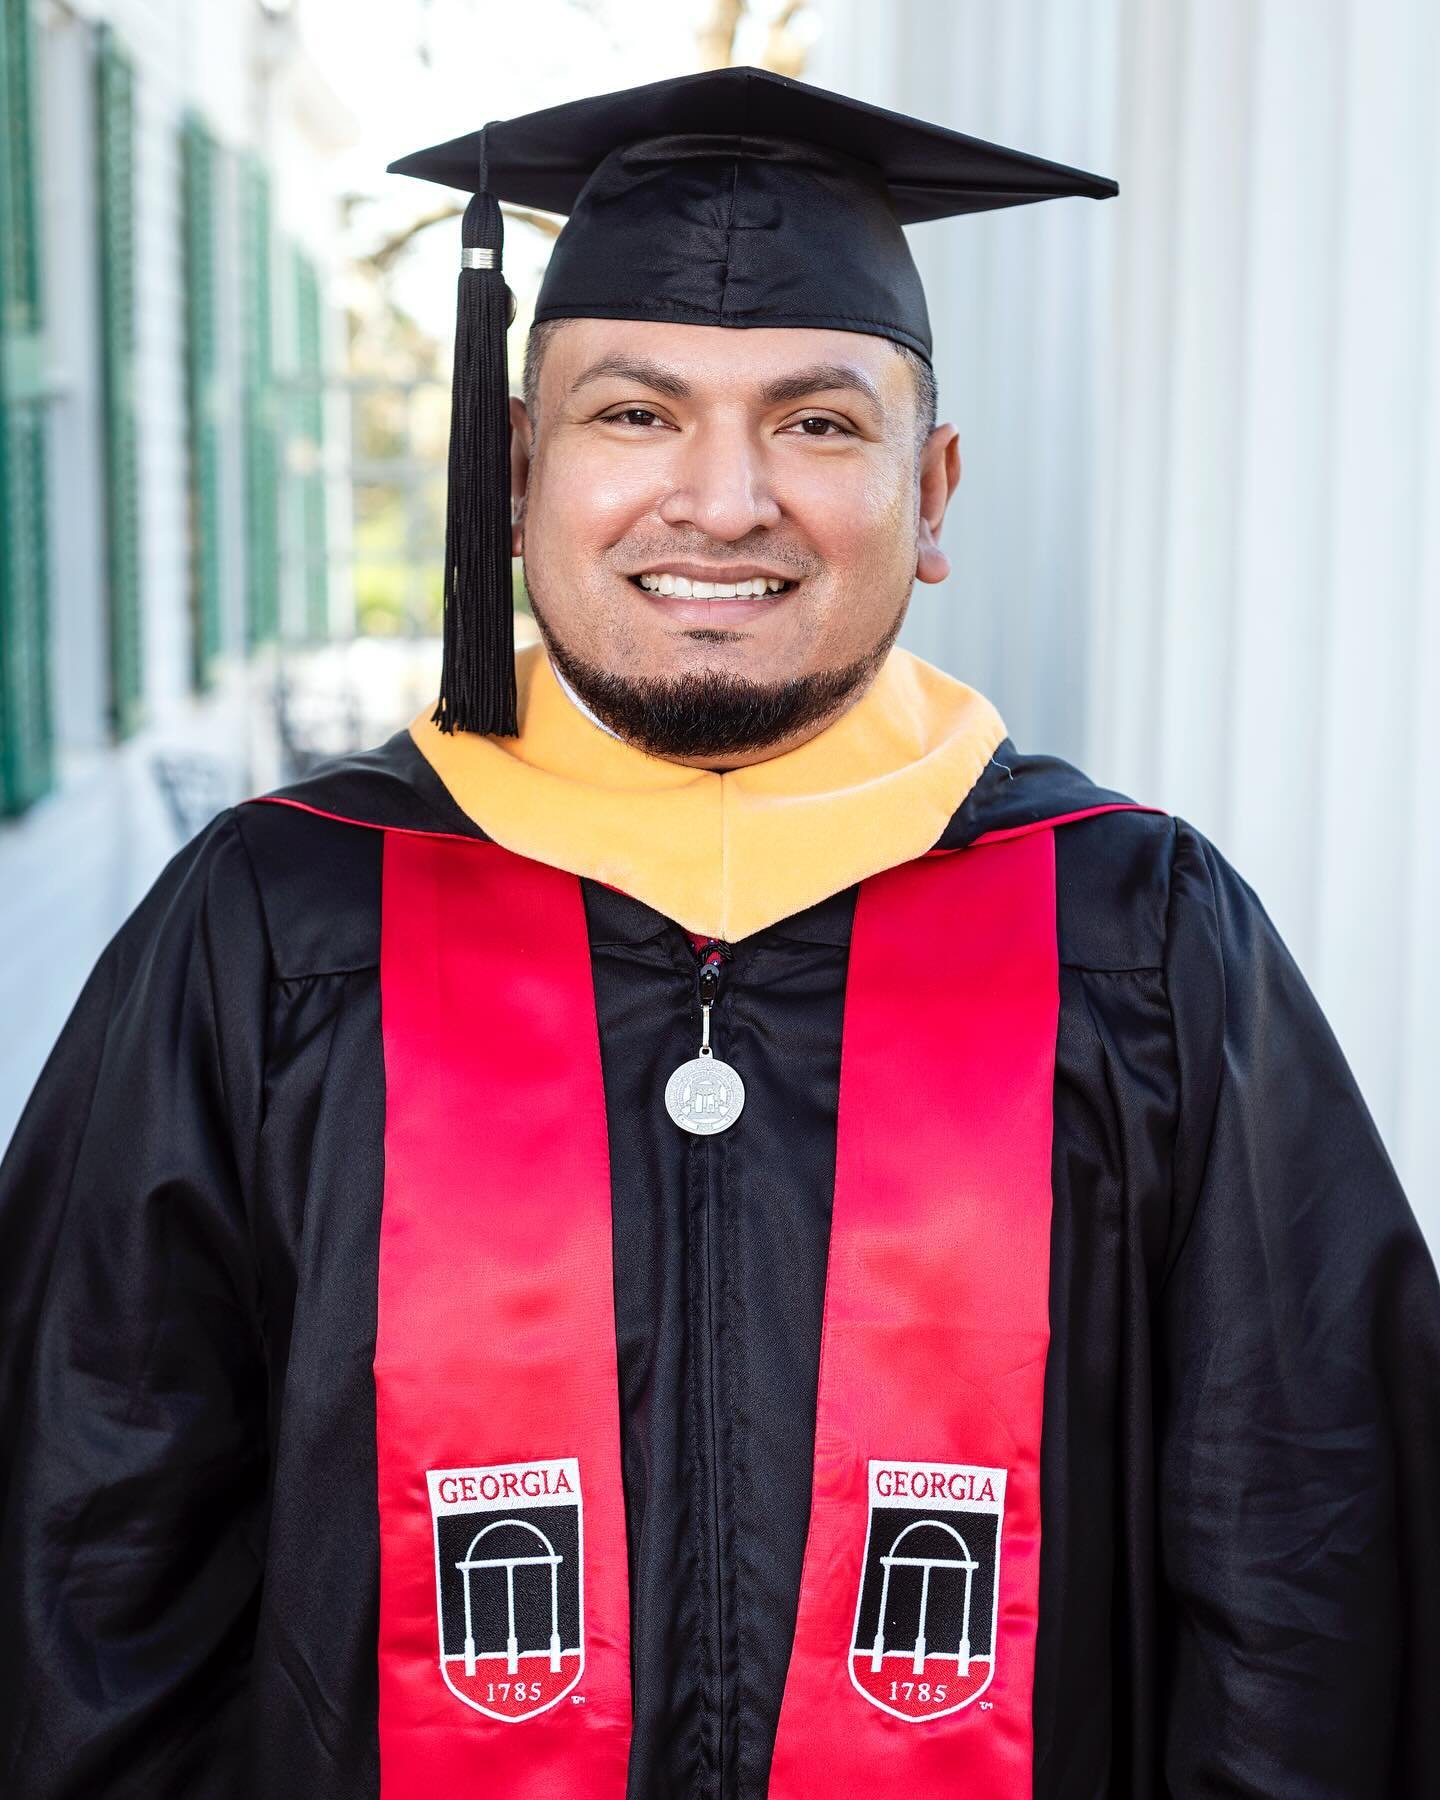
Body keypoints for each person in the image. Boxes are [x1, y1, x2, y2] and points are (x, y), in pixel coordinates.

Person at [1, 64, 1436, 1800]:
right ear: (517, 468)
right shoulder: (278, 925)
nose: (727, 500)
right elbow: (88, 1572)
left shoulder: (1131, 932)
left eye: (821, 425)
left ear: (934, 494)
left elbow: (1309, 1573)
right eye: (634, 415)